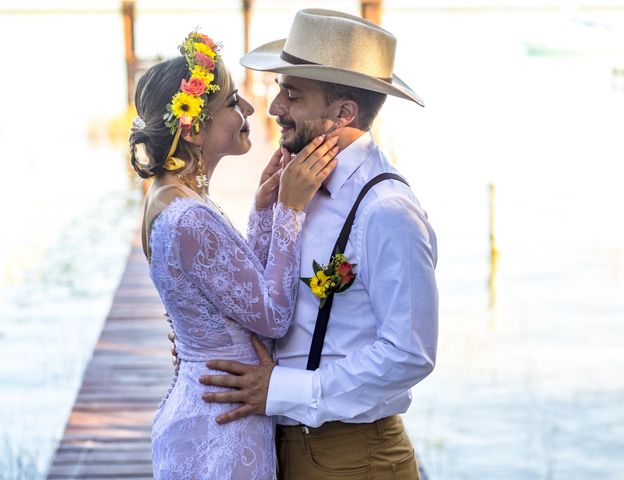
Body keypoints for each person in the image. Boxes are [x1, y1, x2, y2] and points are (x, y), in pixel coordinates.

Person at [195, 9, 439, 480]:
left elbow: (409, 353)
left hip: (355, 457)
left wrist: (282, 390)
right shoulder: (296, 187)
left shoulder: (387, 210)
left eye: (293, 93)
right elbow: (277, 303)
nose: (273, 107)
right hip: (281, 445)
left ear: (342, 113)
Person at [129, 31, 338, 479]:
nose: (249, 110)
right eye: (232, 102)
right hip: (223, 424)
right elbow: (273, 315)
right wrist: (290, 210)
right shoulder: (187, 217)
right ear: (194, 127)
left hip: (207, 402)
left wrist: (263, 212)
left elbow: (233, 293)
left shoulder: (170, 197)